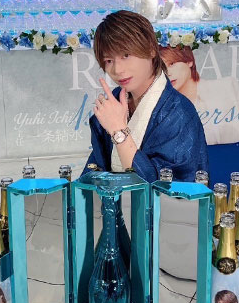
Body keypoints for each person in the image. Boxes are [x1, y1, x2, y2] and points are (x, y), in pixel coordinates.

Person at [84, 10, 209, 182]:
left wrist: (119, 131)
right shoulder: (115, 100)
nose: (117, 70)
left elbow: (160, 187)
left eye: (126, 56)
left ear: (151, 50)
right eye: (109, 61)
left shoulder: (179, 112)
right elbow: (95, 168)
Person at [160, 45, 239, 144]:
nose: (168, 73)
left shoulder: (223, 88)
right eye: (162, 69)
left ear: (189, 61)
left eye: (172, 64)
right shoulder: (165, 108)